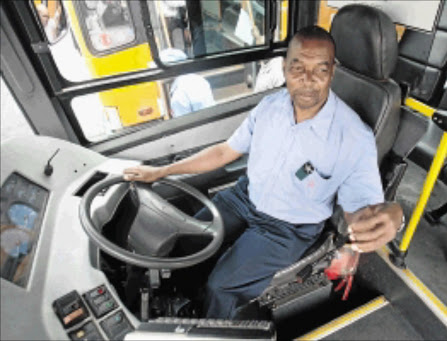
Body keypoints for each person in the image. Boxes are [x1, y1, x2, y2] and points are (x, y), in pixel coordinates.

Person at [123, 26, 403, 319]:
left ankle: (210, 327)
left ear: (332, 72)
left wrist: (394, 216)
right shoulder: (270, 106)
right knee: (185, 242)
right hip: (242, 198)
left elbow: (361, 214)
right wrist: (161, 171)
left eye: (320, 70)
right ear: (284, 69)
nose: (308, 81)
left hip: (287, 227)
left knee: (222, 286)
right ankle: (184, 300)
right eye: (298, 68)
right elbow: (224, 152)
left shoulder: (353, 136)